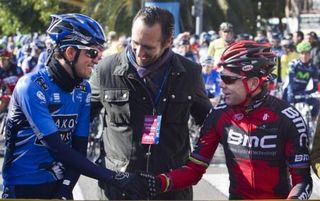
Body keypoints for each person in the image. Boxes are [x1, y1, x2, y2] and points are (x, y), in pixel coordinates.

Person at [137, 40, 313, 200]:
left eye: (228, 79)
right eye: (221, 77)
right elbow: (193, 170)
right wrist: (157, 182)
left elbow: (302, 181)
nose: (221, 84)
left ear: (253, 83)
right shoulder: (219, 115)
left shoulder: (288, 118)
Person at [1, 13, 148, 199]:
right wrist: (116, 178)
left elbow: (79, 149)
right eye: (93, 52)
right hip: (23, 188)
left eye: (100, 52)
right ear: (70, 52)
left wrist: (64, 191)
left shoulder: (83, 89)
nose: (98, 59)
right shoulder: (31, 86)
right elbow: (57, 148)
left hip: (60, 186)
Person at [89, 6, 212, 200]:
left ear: (168, 42)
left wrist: (191, 167)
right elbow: (82, 117)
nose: (139, 52)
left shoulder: (190, 73)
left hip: (170, 191)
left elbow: (208, 124)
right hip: (119, 189)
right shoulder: (105, 70)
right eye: (135, 43)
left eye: (148, 47)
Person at [282, 41, 319, 121]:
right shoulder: (293, 64)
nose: (304, 56)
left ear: (310, 54)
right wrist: (290, 94)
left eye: (307, 53)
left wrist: (309, 93)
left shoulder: (314, 68)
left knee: (317, 102)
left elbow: (315, 86)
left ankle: (312, 121)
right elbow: (290, 82)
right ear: (299, 54)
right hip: (289, 92)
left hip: (302, 93)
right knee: (283, 114)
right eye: (302, 53)